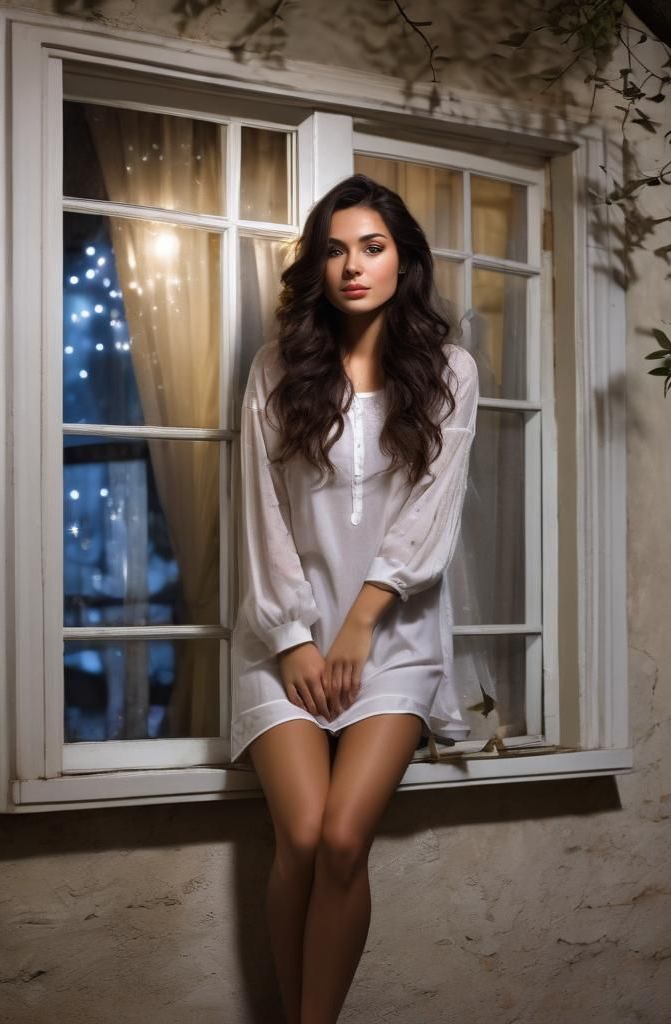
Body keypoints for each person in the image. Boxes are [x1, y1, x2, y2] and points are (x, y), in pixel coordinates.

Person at [230, 173, 479, 1024]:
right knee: (298, 838)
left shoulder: (451, 373)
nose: (352, 265)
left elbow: (428, 519)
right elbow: (260, 519)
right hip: (283, 638)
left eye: (371, 246)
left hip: (393, 642)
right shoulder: (275, 371)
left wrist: (361, 624)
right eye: (334, 249)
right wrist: (296, 638)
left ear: (403, 259)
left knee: (342, 841)